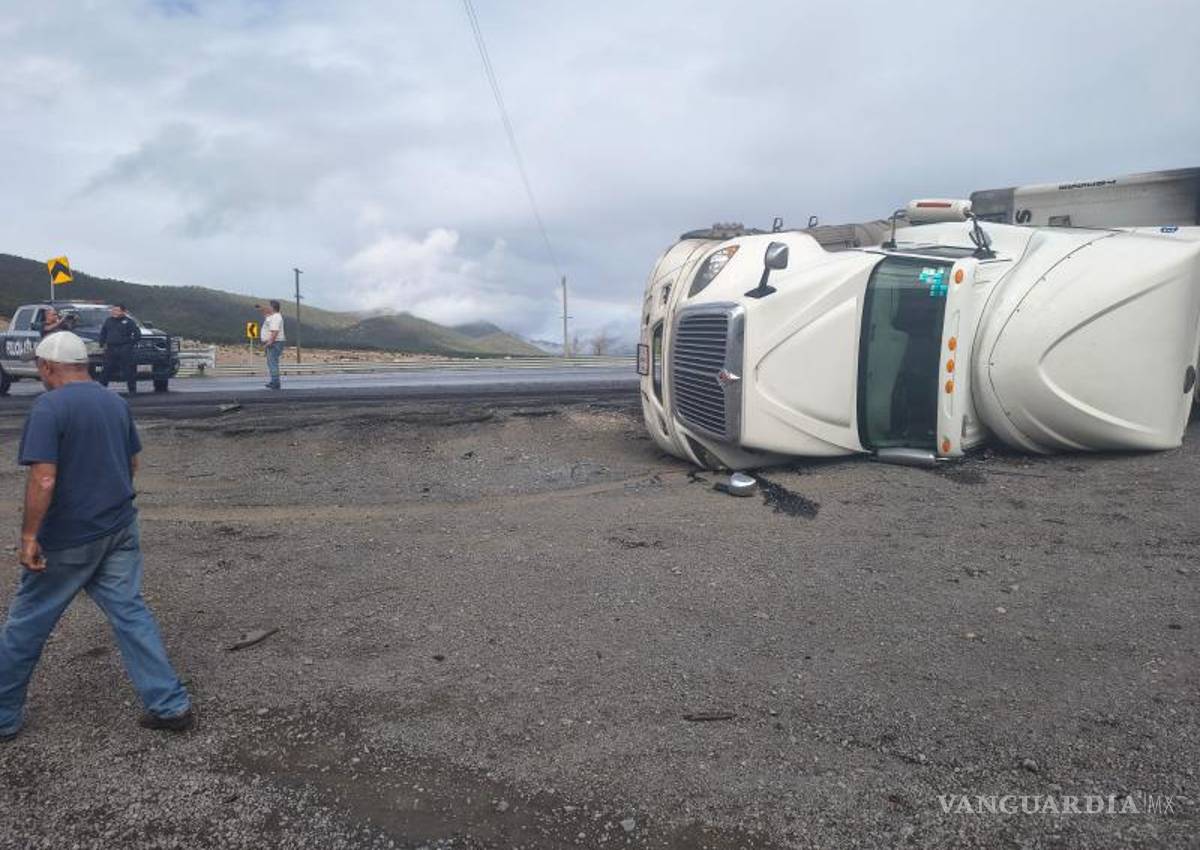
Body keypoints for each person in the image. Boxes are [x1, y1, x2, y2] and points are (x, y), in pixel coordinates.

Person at [0, 332, 192, 741]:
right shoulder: (114, 402)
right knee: (131, 614)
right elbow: (133, 463)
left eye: (39, 367)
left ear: (48, 367)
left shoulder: (49, 407)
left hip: (69, 538)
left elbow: (44, 477)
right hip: (119, 528)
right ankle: (169, 704)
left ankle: (2, 716)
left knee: (26, 625)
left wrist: (30, 535)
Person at [98, 304, 141, 394]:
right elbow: (103, 332)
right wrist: (102, 343)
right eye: (113, 310)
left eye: (117, 310)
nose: (114, 312)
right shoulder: (108, 321)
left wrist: (130, 344)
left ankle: (132, 390)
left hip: (124, 348)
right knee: (106, 369)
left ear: (123, 311)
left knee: (128, 370)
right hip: (111, 348)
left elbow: (137, 334)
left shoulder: (129, 322)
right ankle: (101, 390)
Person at [257, 300, 286, 390]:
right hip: (274, 342)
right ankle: (274, 381)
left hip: (275, 342)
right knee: (271, 362)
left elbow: (275, 331)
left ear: (272, 308)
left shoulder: (276, 317)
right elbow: (266, 314)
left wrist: (269, 342)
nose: (267, 308)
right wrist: (261, 308)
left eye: (269, 306)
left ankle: (275, 382)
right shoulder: (272, 316)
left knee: (272, 362)